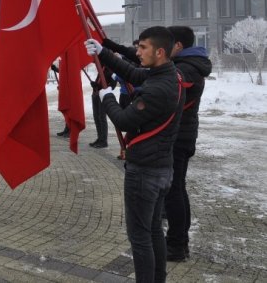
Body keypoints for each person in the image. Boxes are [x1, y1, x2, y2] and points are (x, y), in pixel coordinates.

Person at [86, 26, 184, 283]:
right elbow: (134, 73)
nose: (137, 52)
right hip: (160, 168)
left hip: (145, 172)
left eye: (143, 48)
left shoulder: (159, 88)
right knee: (152, 232)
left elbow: (124, 120)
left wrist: (106, 97)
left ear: (160, 52)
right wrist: (103, 52)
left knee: (140, 238)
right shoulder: (168, 74)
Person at [164, 26, 212, 262]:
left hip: (178, 137)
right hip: (183, 135)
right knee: (177, 189)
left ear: (179, 46)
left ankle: (177, 244)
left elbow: (165, 97)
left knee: (175, 191)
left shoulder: (185, 70)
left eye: (167, 43)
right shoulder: (189, 64)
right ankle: (177, 240)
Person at [89, 67, 115, 148]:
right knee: (96, 117)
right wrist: (94, 84)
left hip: (103, 96)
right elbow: (98, 81)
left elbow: (112, 86)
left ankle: (104, 140)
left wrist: (99, 86)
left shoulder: (111, 70)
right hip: (95, 94)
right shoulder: (102, 68)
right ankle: (99, 138)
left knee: (102, 118)